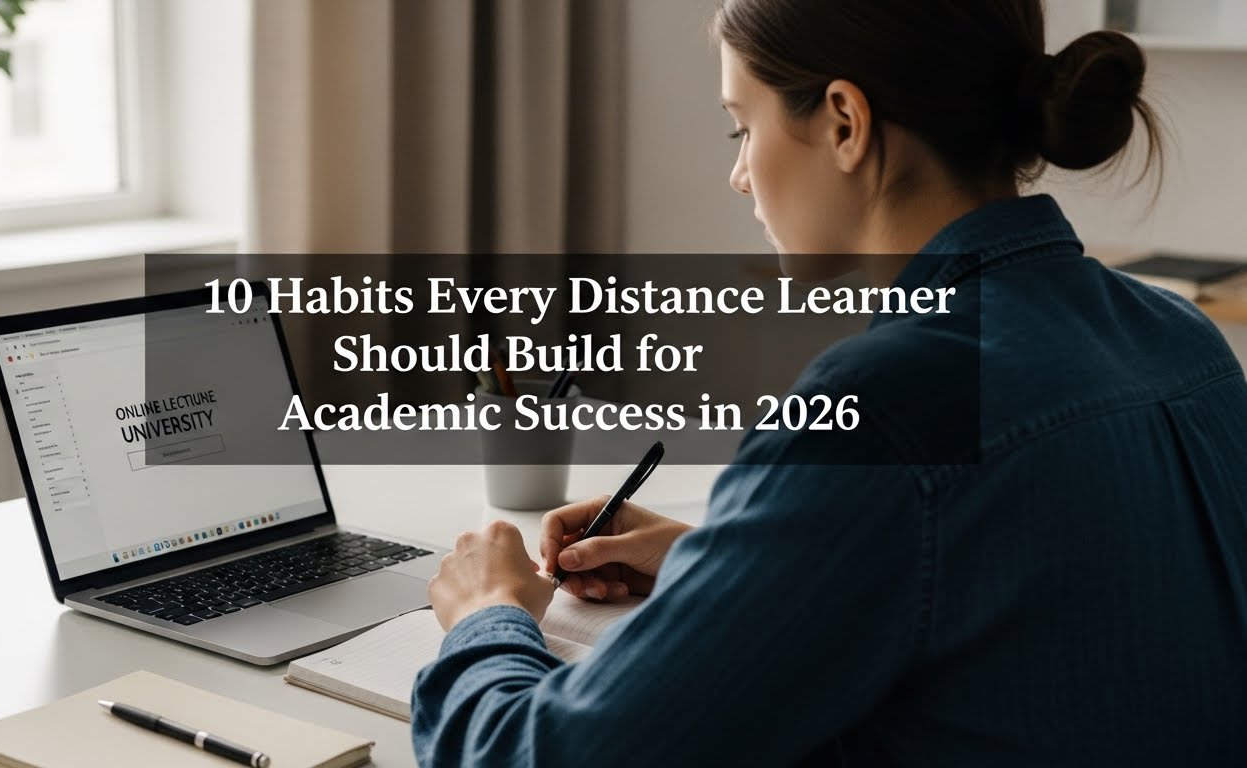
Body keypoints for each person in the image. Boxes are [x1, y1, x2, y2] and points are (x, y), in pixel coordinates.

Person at [411, 1, 1247, 765]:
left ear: (845, 122)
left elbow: (544, 756)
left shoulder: (881, 408)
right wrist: (729, 570)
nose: (740, 174)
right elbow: (1062, 627)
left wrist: (488, 616)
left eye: (742, 128)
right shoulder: (1181, 338)